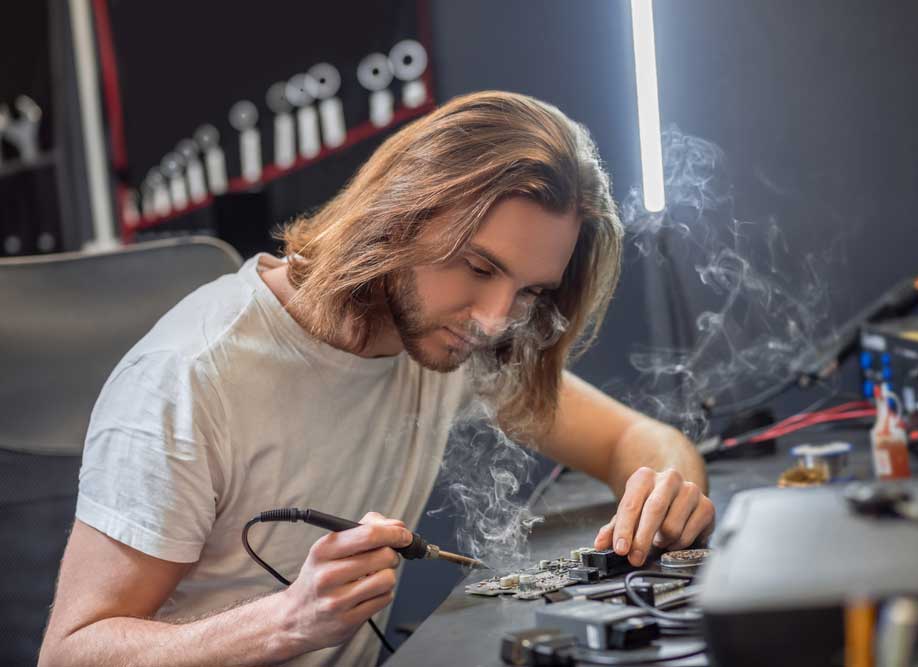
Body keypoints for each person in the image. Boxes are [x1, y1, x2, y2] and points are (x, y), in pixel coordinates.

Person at [38, 91, 714, 667]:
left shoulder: (447, 341)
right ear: (401, 215)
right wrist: (284, 622)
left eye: (530, 291)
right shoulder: (191, 376)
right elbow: (69, 650)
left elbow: (633, 439)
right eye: (478, 267)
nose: (495, 319)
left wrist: (667, 489)